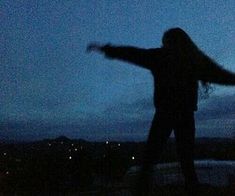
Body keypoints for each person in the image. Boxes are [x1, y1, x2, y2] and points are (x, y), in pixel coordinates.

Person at [87, 27, 235, 195]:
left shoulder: (161, 56)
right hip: (185, 114)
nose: (162, 44)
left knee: (150, 158)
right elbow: (219, 74)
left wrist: (105, 49)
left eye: (164, 41)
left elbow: (133, 54)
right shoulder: (194, 59)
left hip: (165, 112)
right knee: (186, 161)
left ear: (168, 42)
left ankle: (141, 190)